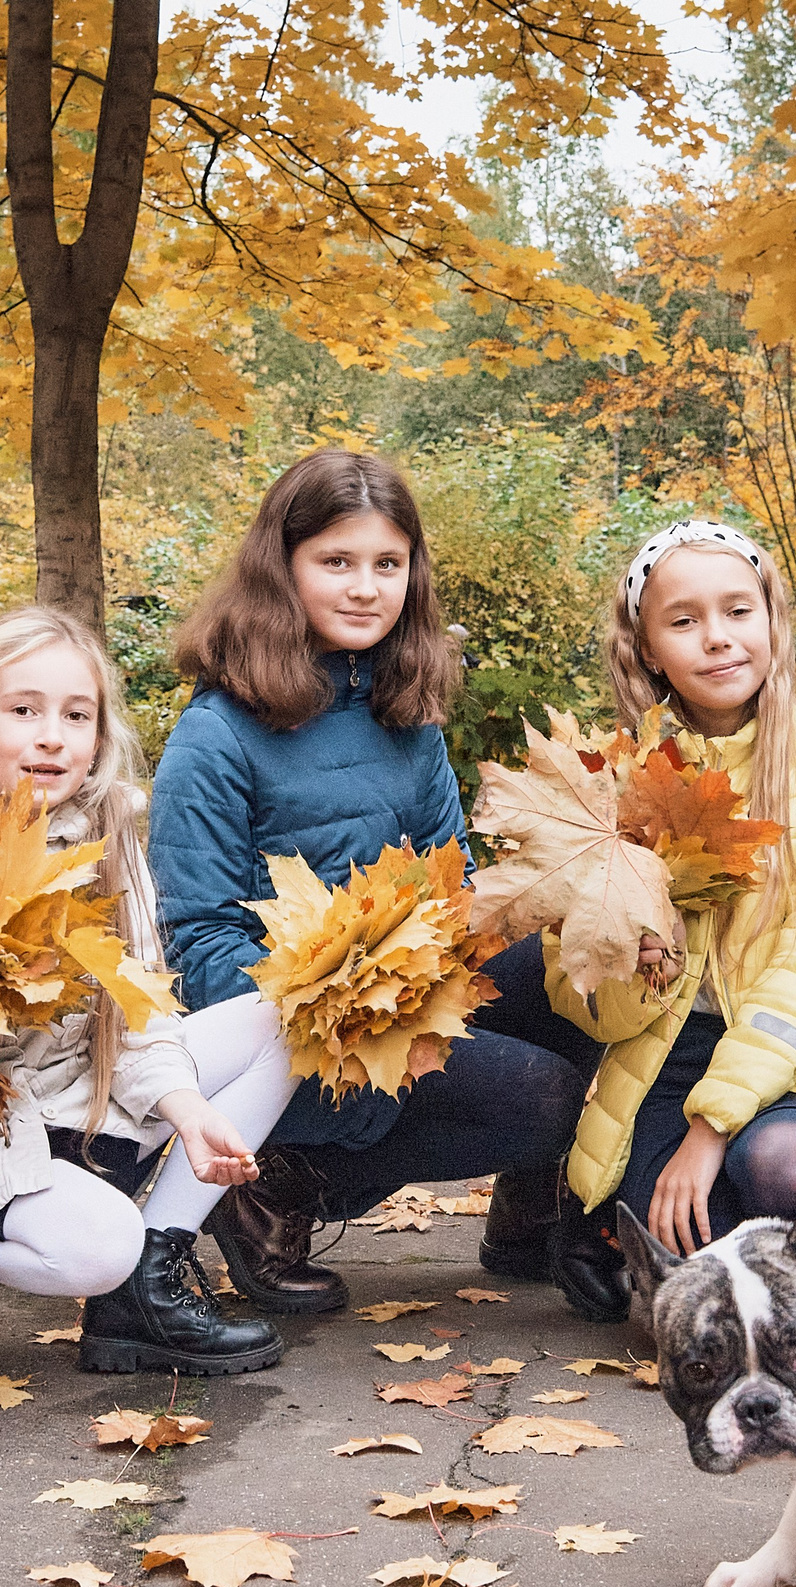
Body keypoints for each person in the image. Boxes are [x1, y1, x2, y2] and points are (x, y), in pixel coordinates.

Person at [149, 448, 602, 1318]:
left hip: (405, 987)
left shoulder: (408, 712)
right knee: (541, 1096)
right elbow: (202, 945)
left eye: (386, 564)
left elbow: (452, 886)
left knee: (575, 957)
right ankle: (280, 1184)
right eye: (336, 562)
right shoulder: (216, 733)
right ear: (280, 569)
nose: (365, 587)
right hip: (283, 1033)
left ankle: (532, 1215)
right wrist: (345, 1016)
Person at [0, 606, 294, 1386]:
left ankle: (146, 1285)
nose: (53, 735)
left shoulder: (111, 849)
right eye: (24, 710)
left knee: (284, 1018)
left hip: (69, 1107)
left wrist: (186, 1109)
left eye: (76, 715)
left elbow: (141, 1010)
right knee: (99, 1244)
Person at [541, 519, 796, 1315]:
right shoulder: (611, 781)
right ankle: (601, 1220)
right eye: (684, 620)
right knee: (691, 1287)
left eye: (739, 611)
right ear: (645, 649)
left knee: (780, 1164)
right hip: (673, 1047)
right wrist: (642, 964)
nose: (717, 638)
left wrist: (710, 1131)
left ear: (772, 619)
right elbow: (577, 992)